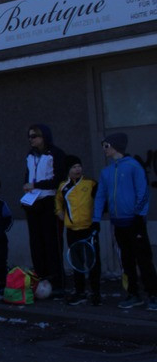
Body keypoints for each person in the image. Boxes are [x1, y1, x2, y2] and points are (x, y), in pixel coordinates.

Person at [93, 133, 157, 310]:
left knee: (143, 259)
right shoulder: (106, 171)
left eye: (106, 146)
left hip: (134, 222)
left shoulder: (133, 166)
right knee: (126, 261)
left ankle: (153, 294)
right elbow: (100, 196)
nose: (104, 149)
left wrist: (138, 215)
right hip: (117, 223)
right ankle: (133, 294)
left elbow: (143, 193)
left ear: (115, 146)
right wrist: (96, 219)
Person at [22, 123, 67, 296]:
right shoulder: (30, 155)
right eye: (30, 136)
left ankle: (57, 281)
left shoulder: (55, 154)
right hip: (33, 201)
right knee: (36, 242)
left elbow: (58, 180)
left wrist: (36, 185)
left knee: (52, 242)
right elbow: (28, 175)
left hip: (49, 200)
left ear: (44, 137)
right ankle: (40, 278)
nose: (31, 139)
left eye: (35, 136)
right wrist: (28, 186)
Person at [55, 155, 101, 306]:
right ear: (68, 170)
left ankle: (96, 292)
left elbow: (100, 201)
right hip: (73, 230)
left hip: (89, 229)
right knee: (77, 263)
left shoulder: (91, 183)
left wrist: (96, 220)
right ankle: (80, 291)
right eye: (74, 167)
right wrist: (60, 213)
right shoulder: (63, 186)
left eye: (79, 166)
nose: (78, 169)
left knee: (93, 261)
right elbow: (58, 202)